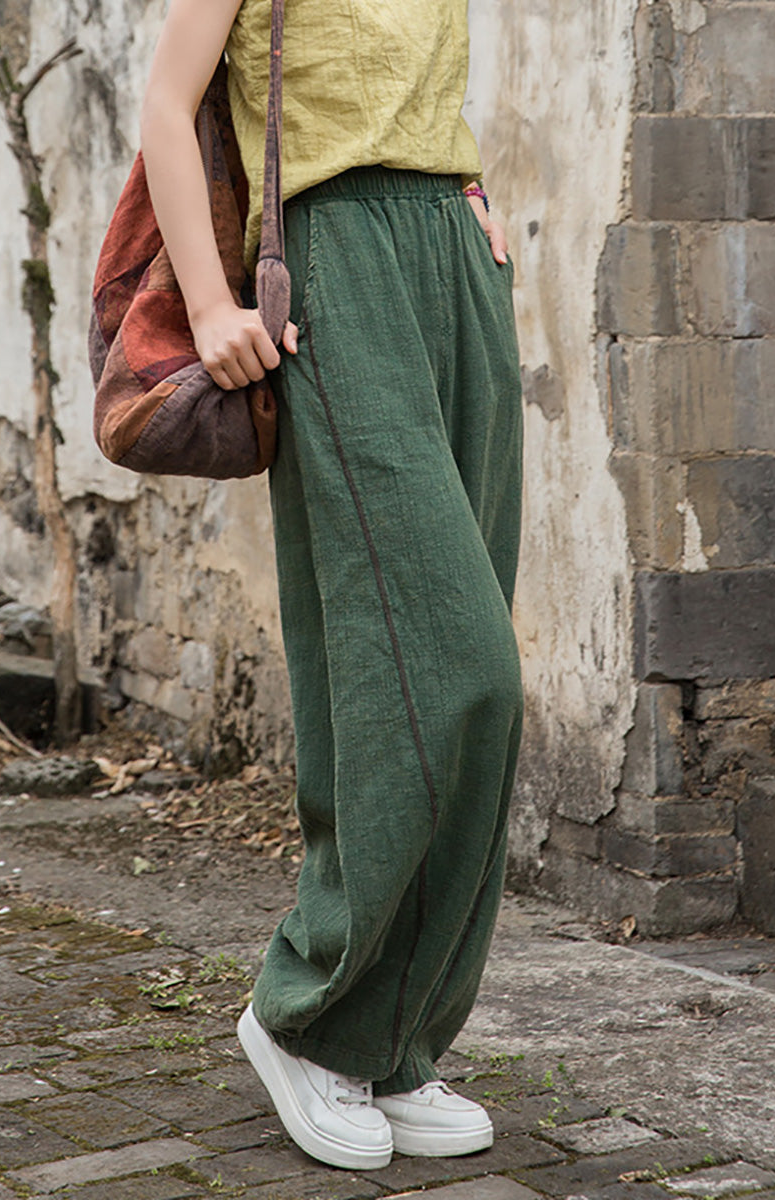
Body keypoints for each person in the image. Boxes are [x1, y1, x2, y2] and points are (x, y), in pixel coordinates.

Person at [140, 0, 524, 1172]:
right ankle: (304, 1013)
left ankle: (392, 1040)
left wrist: (468, 193)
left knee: (460, 673)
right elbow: (167, 100)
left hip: (453, 260)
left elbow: (413, 93)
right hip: (332, 263)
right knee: (446, 667)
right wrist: (209, 304)